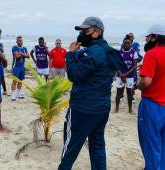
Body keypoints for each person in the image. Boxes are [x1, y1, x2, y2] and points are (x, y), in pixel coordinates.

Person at [58, 17, 125, 170]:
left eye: (85, 31)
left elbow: (74, 75)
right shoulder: (108, 51)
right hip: (102, 108)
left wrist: (70, 54)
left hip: (83, 108)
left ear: (97, 32)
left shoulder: (93, 52)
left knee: (70, 147)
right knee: (97, 146)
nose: (82, 34)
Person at [136, 24, 165, 170]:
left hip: (153, 105)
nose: (146, 40)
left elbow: (146, 81)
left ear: (155, 37)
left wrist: (138, 84)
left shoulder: (152, 54)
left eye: (148, 37)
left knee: (151, 145)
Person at [114, 37, 138, 114]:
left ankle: (130, 109)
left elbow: (134, 66)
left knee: (129, 93)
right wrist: (121, 75)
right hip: (119, 76)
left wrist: (126, 74)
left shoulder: (134, 52)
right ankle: (116, 108)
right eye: (125, 43)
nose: (127, 44)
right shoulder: (119, 52)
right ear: (123, 43)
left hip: (130, 76)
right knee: (119, 93)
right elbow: (116, 64)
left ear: (131, 44)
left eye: (129, 43)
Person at [11, 36, 30, 101]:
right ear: (16, 41)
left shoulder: (24, 48)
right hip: (16, 67)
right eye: (19, 41)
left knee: (20, 81)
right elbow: (16, 56)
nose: (20, 42)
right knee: (15, 81)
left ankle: (18, 93)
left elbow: (28, 56)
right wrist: (23, 54)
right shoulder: (14, 47)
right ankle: (13, 94)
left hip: (22, 67)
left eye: (21, 40)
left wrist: (21, 53)